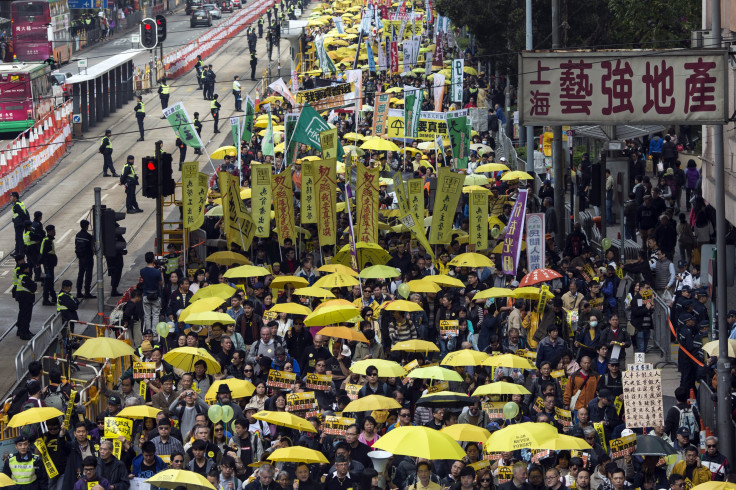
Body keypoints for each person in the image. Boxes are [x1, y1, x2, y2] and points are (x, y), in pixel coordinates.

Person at [140, 251, 164, 331]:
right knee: (155, 315)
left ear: (145, 259)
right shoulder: (157, 272)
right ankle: (154, 333)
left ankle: (148, 331)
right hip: (156, 295)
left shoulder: (142, 271)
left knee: (147, 315)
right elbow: (161, 283)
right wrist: (161, 272)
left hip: (146, 295)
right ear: (153, 259)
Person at [74, 220, 95, 299]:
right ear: (87, 226)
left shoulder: (78, 235)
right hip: (88, 258)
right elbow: (92, 246)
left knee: (80, 274)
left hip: (81, 258)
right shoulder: (88, 236)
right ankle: (87, 292)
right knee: (88, 275)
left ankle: (78, 292)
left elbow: (76, 245)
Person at [16, 262, 37, 340]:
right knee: (26, 316)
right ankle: (24, 333)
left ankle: (24, 331)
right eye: (28, 268)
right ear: (25, 269)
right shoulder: (25, 277)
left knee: (22, 315)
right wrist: (34, 284)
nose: (29, 269)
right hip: (26, 299)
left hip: (23, 299)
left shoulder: (22, 276)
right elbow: (33, 287)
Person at [39, 224, 57, 306]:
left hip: (49, 265)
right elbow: (43, 254)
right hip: (48, 266)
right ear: (49, 232)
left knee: (49, 282)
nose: (55, 232)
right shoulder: (47, 241)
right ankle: (46, 299)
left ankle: (53, 298)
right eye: (53, 230)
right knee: (48, 282)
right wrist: (44, 265)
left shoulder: (48, 240)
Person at [10, 191, 29, 256]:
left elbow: (22, 214)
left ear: (15, 197)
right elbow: (25, 212)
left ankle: (20, 252)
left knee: (19, 238)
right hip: (19, 223)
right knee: (18, 238)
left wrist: (16, 220)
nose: (10, 198)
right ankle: (17, 251)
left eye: (11, 197)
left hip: (19, 224)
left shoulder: (17, 205)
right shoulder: (20, 203)